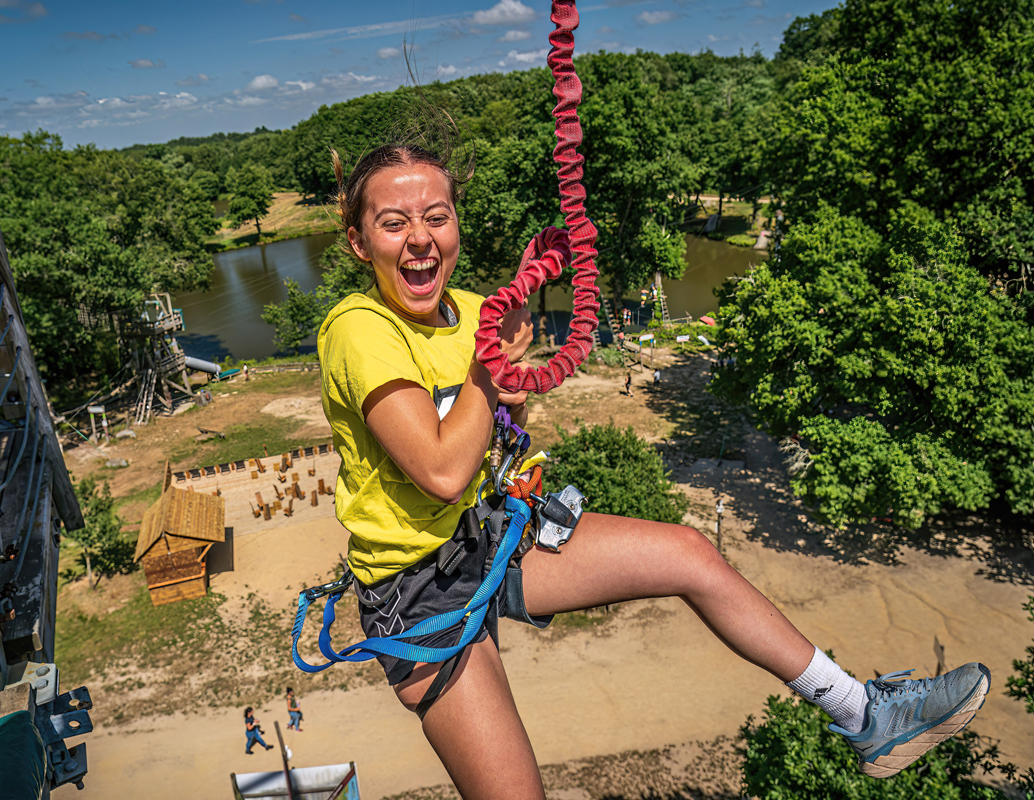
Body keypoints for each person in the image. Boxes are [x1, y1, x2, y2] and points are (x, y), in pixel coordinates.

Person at [315, 142, 990, 799]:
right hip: (418, 592)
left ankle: (864, 716)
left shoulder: (467, 313)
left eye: (437, 215)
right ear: (358, 242)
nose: (420, 239)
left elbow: (491, 430)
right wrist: (492, 368)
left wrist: (508, 367)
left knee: (689, 555)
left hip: (484, 535)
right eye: (393, 223)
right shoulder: (359, 328)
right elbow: (438, 468)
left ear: (457, 221)